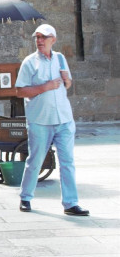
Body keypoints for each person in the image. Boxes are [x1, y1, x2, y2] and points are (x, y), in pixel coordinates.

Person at [15, 24, 89, 216]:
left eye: (43, 37)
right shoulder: (29, 62)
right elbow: (20, 90)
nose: (39, 40)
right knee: (36, 160)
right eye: (37, 37)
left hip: (64, 118)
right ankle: (26, 197)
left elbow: (67, 83)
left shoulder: (60, 58)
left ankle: (71, 203)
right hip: (40, 120)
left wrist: (67, 80)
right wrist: (44, 87)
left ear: (53, 40)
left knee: (68, 162)